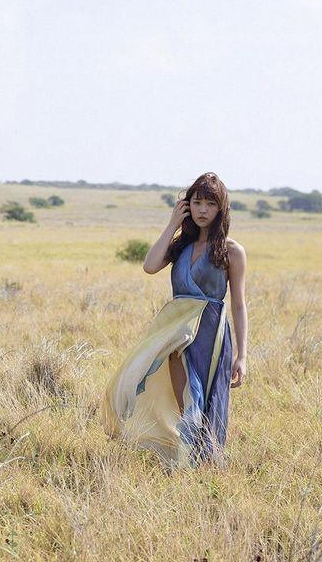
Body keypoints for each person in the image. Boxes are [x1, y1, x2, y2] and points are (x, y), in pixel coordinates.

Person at [100, 172, 248, 468]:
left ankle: (206, 466)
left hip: (211, 335)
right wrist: (172, 225)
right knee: (182, 400)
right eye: (197, 202)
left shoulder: (231, 250)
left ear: (221, 209)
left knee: (207, 401)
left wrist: (242, 356)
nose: (203, 210)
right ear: (186, 206)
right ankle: (185, 459)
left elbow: (239, 305)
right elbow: (149, 265)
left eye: (210, 204)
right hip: (175, 332)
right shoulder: (180, 246)